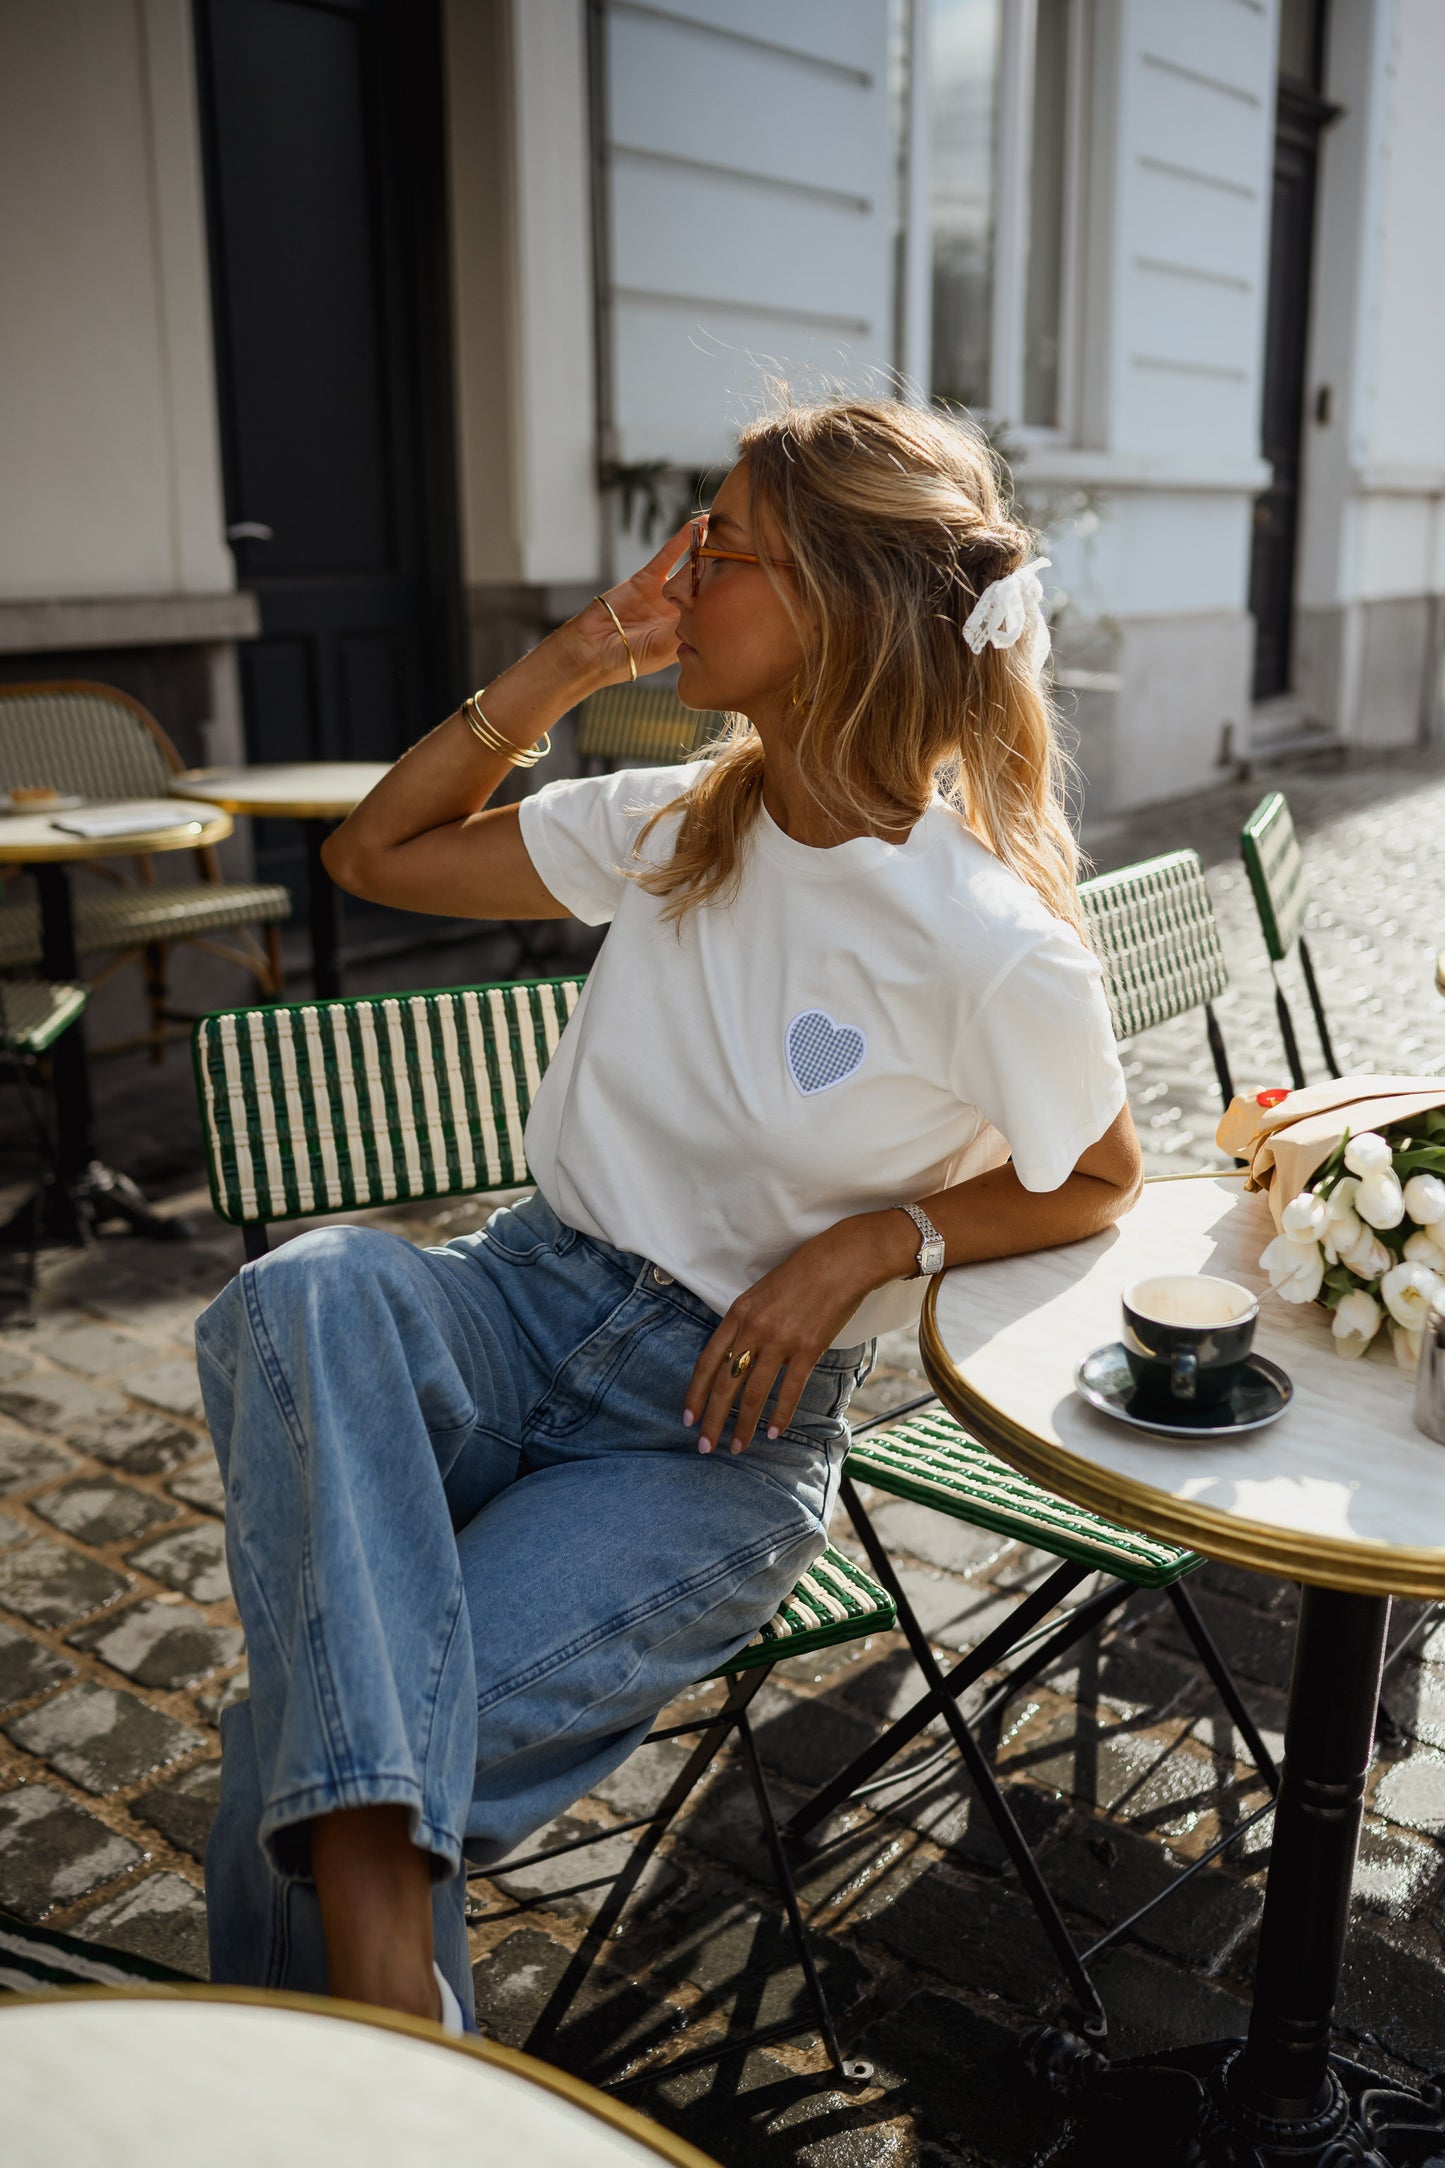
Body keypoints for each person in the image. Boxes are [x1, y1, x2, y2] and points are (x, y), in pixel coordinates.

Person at [197, 395, 1141, 2035]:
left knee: (307, 1741)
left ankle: (339, 2035)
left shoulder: (986, 936)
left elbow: (1104, 1176)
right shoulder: (674, 822)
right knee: (314, 1290)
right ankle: (386, 1987)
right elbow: (377, 853)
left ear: (838, 605)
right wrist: (570, 664)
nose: (677, 578)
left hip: (709, 1438)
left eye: (719, 550)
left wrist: (871, 1241)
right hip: (511, 1312)